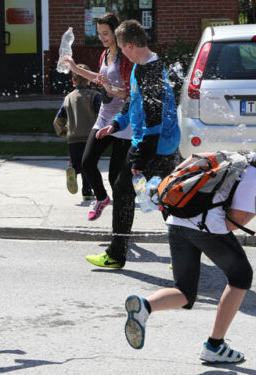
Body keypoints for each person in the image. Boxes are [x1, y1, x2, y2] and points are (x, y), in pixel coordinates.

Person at [122, 129, 256, 363]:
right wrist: (254, 210)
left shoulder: (240, 157)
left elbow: (195, 158)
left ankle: (144, 307)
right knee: (241, 276)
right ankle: (215, 345)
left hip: (177, 221)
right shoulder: (254, 176)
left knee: (185, 292)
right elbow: (231, 224)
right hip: (206, 229)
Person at [84, 19, 180, 269]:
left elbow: (154, 119)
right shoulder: (144, 65)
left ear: (128, 46)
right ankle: (185, 251)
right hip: (160, 144)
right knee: (162, 196)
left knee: (124, 190)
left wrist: (139, 158)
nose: (123, 54)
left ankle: (116, 255)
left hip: (155, 145)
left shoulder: (149, 71)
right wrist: (115, 124)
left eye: (122, 48)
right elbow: (133, 102)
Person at [61, 13, 134, 220]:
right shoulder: (104, 55)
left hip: (122, 122)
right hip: (103, 117)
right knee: (87, 162)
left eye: (106, 33)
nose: (102, 37)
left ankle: (121, 220)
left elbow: (130, 93)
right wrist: (74, 68)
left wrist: (110, 88)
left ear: (115, 32)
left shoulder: (125, 58)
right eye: (99, 33)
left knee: (114, 177)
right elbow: (99, 78)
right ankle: (101, 198)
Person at [53, 63, 101, 199]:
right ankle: (86, 190)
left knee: (76, 161)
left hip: (73, 137)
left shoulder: (68, 97)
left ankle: (74, 172)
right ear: (90, 79)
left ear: (73, 80)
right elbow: (101, 115)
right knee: (88, 164)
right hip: (90, 137)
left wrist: (62, 132)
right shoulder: (95, 96)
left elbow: (58, 119)